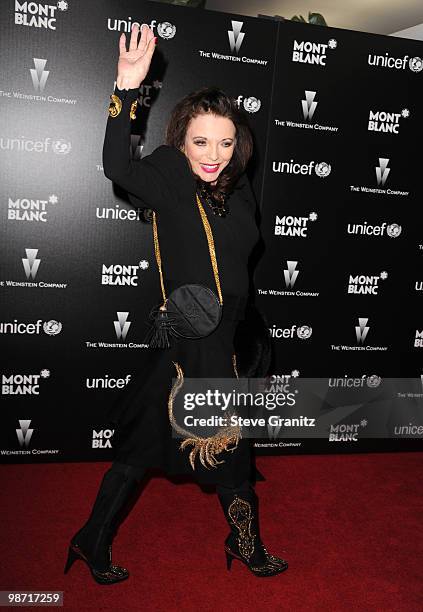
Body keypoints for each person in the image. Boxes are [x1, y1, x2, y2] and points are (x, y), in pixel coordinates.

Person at [64, 23, 288, 583]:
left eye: (226, 142)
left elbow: (238, 266)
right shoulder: (167, 174)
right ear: (182, 140)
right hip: (191, 340)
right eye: (201, 142)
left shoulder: (237, 188)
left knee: (183, 450)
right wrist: (126, 91)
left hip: (227, 337)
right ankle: (100, 540)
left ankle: (233, 543)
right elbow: (118, 165)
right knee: (187, 451)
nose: (213, 155)